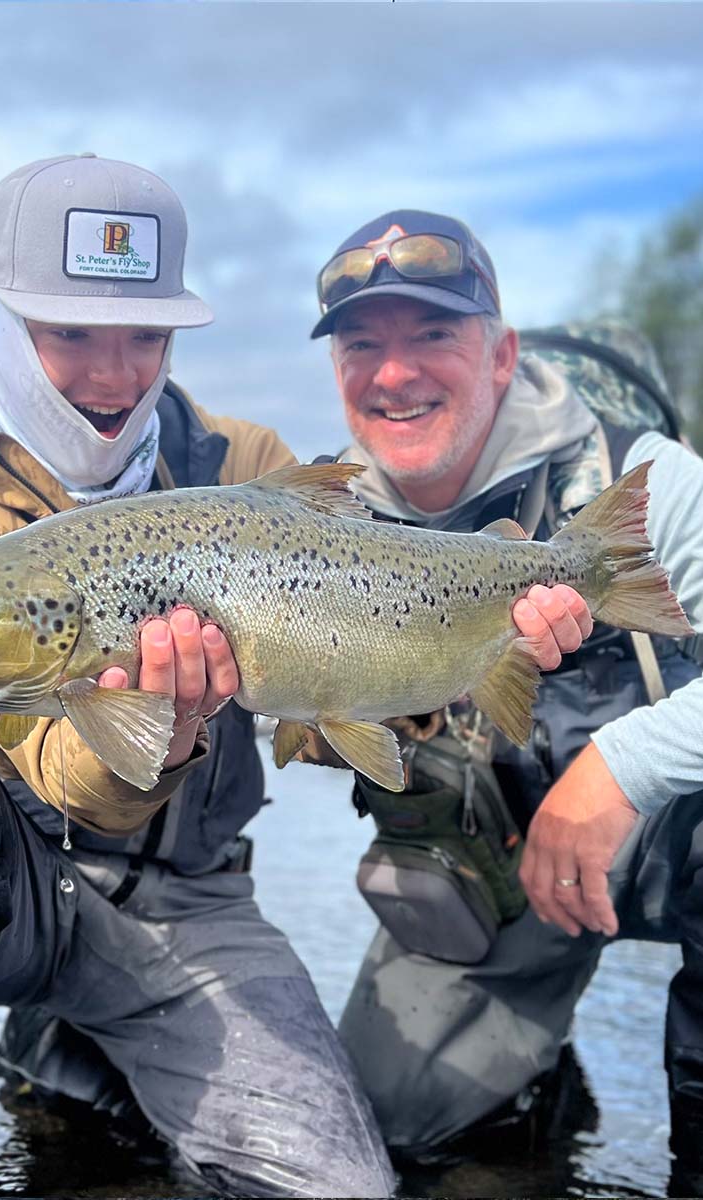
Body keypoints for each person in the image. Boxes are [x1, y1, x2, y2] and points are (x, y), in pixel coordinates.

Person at [0, 159, 586, 1200]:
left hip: (192, 913)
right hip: (10, 903)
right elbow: (64, 773)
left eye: (146, 336)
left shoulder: (241, 459)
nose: (114, 374)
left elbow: (355, 621)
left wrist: (485, 633)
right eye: (70, 333)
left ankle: (86, 1060)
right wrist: (158, 725)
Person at [306, 208, 703, 1188]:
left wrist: (620, 765)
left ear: (500, 356)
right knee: (384, 1137)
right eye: (364, 346)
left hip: (673, 840)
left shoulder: (645, 484)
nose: (394, 375)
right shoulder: (326, 518)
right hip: (502, 880)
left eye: (433, 336)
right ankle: (538, 1096)